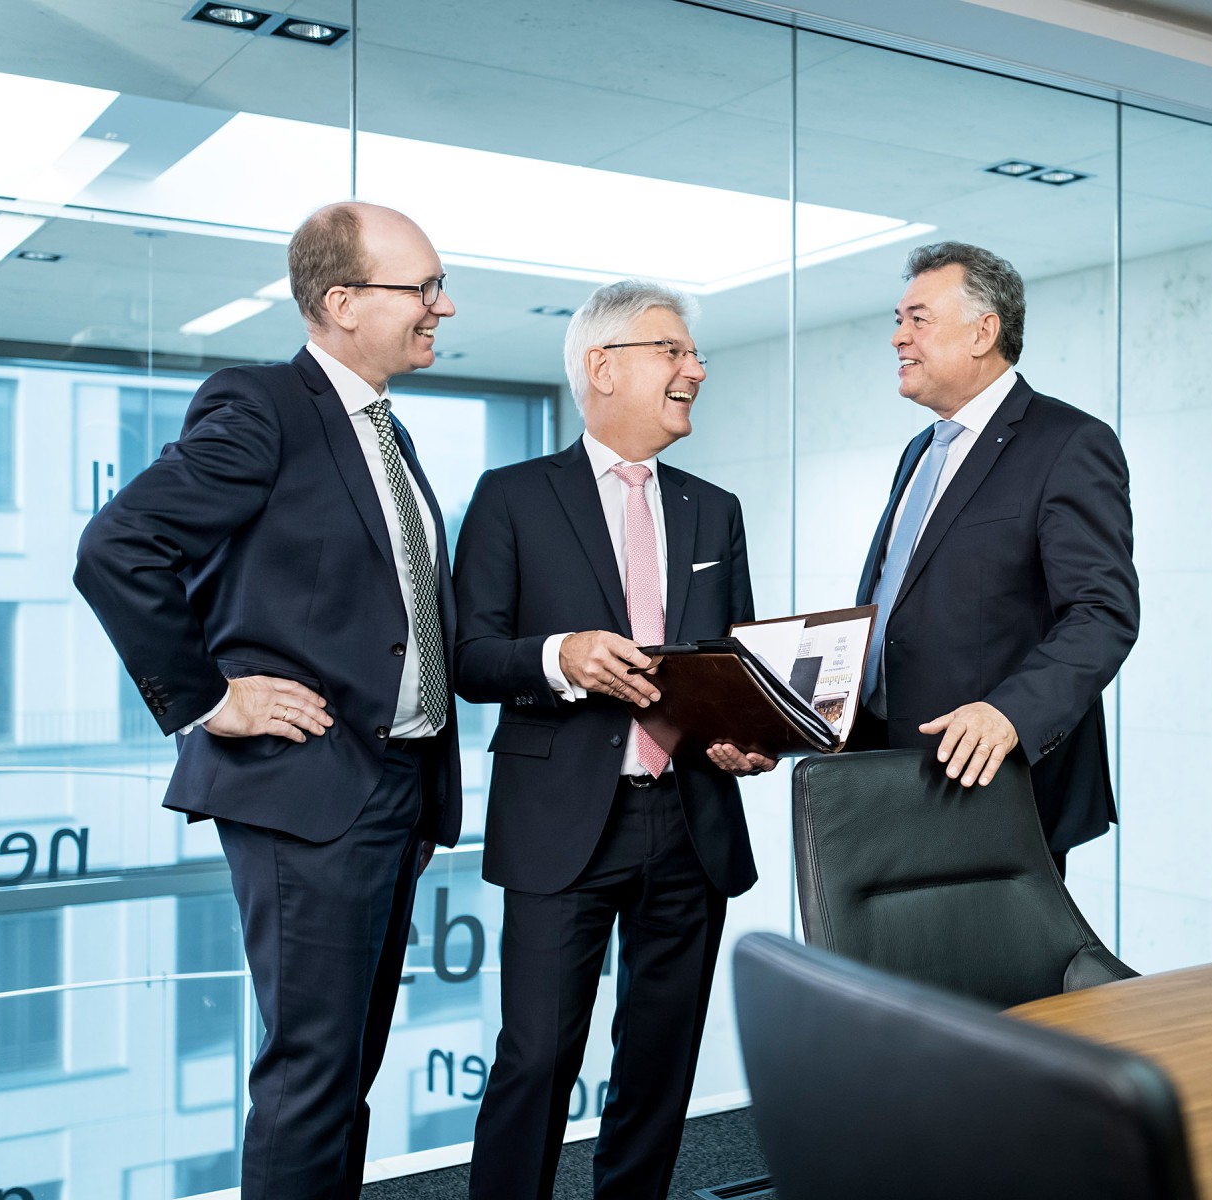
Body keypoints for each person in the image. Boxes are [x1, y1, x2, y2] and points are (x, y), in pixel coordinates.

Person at [73, 201, 464, 1199]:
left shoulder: (384, 426)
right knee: (310, 1075)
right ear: (341, 302)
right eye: (420, 288)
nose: (441, 306)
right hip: (310, 791)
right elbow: (119, 549)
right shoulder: (262, 405)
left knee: (347, 1072)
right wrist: (208, 699)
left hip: (392, 787)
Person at [457, 279, 772, 1200]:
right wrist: (563, 656)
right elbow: (470, 658)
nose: (696, 370)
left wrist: (744, 738)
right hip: (562, 824)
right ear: (603, 366)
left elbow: (733, 667)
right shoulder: (511, 496)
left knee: (661, 1064)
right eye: (673, 351)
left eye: (693, 354)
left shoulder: (716, 508)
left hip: (691, 822)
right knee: (537, 1059)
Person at [851, 241, 1139, 876]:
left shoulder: (1069, 443)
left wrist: (1011, 713)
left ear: (984, 332)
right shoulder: (919, 451)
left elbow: (1101, 613)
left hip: (996, 782)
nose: (898, 337)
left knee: (993, 978)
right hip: (885, 773)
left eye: (917, 319)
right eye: (898, 320)